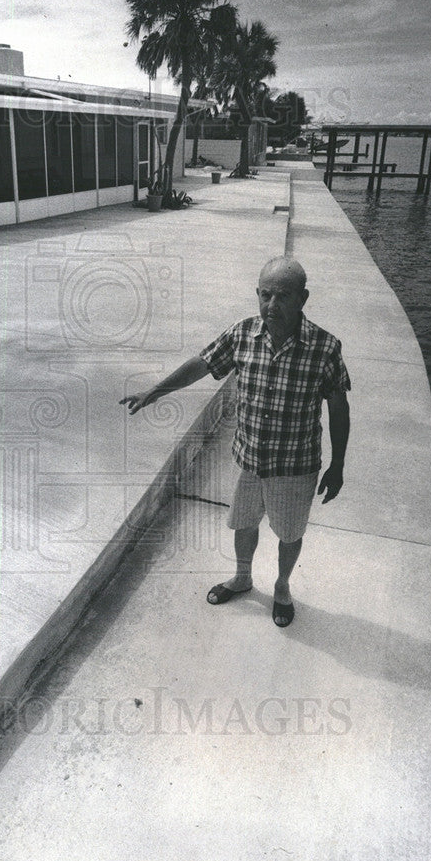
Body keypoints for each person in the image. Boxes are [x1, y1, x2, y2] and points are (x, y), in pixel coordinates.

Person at [119, 256, 350, 627]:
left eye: (283, 296)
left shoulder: (325, 348)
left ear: (302, 299)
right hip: (248, 460)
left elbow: (339, 410)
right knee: (244, 524)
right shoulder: (242, 334)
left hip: (295, 467)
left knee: (289, 534)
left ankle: (282, 587)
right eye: (265, 295)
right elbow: (203, 363)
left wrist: (338, 465)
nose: (272, 305)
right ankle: (243, 578)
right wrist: (156, 391)